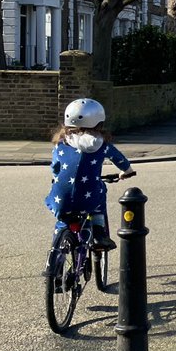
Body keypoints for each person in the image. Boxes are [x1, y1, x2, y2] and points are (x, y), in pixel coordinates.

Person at [45, 98, 134, 251]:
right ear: (99, 122)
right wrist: (126, 172)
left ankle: (55, 254)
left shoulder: (61, 143)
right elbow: (121, 161)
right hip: (88, 199)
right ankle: (99, 232)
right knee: (100, 190)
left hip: (61, 199)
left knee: (63, 221)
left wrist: (58, 176)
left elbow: (55, 167)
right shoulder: (102, 145)